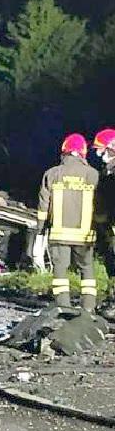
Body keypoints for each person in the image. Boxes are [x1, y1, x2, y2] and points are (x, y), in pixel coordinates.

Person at [33, 134, 99, 311]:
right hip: (85, 237)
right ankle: (89, 308)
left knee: (60, 271)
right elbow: (101, 206)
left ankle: (63, 307)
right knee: (87, 270)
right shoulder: (93, 175)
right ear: (84, 153)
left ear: (64, 151)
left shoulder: (53, 174)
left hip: (59, 235)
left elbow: (43, 206)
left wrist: (40, 231)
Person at [92, 128, 115, 320]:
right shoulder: (107, 171)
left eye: (103, 150)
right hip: (107, 226)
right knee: (111, 263)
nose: (100, 155)